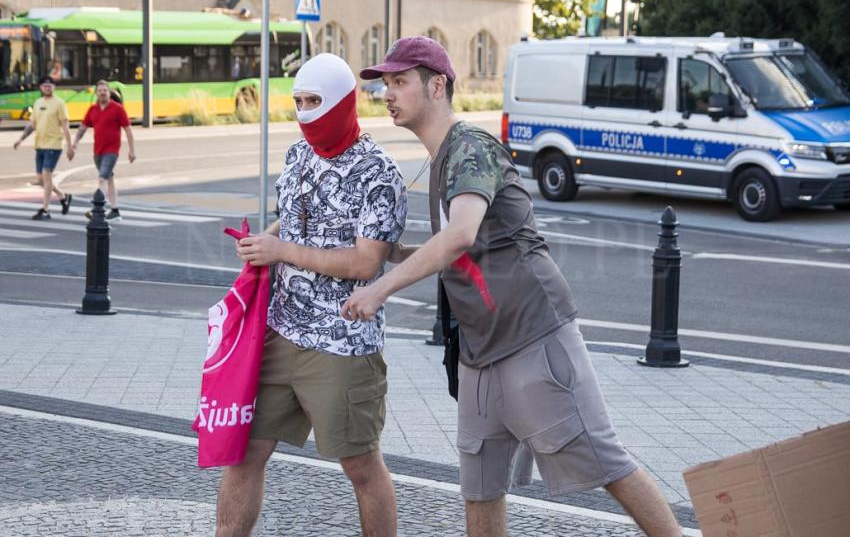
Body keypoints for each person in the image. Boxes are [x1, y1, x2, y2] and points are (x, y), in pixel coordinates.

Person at [342, 36, 683, 537]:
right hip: (480, 354)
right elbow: (467, 254)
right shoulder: (442, 160)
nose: (387, 94)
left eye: (399, 82)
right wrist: (390, 253)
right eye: (385, 84)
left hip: (534, 338)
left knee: (605, 462)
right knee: (479, 486)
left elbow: (460, 237)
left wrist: (379, 289)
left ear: (437, 85)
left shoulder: (470, 148)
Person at [215, 53, 407, 537]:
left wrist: (283, 249)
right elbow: (295, 216)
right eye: (298, 101)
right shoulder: (297, 153)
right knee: (245, 454)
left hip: (341, 341)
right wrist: (264, 243)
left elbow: (366, 263)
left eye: (315, 101)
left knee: (361, 466)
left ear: (343, 101)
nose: (304, 112)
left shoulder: (379, 172)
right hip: (279, 329)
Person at [71, 79, 136, 221]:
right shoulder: (92, 110)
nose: (102, 93)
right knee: (109, 178)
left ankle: (97, 209)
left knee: (102, 178)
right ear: (96, 93)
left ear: (109, 92)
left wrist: (132, 150)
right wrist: (74, 143)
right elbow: (82, 128)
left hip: (112, 151)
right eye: (99, 91)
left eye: (105, 91)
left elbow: (128, 130)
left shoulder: (117, 108)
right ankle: (115, 210)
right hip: (97, 151)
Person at [12, 76, 74, 220]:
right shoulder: (38, 102)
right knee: (41, 180)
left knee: (47, 176)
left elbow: (65, 126)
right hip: (39, 145)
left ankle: (45, 209)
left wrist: (70, 146)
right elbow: (32, 125)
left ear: (54, 87)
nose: (47, 88)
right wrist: (21, 139)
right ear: (40, 87)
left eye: (50, 85)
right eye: (44, 86)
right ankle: (62, 196)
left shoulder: (59, 103)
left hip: (54, 145)